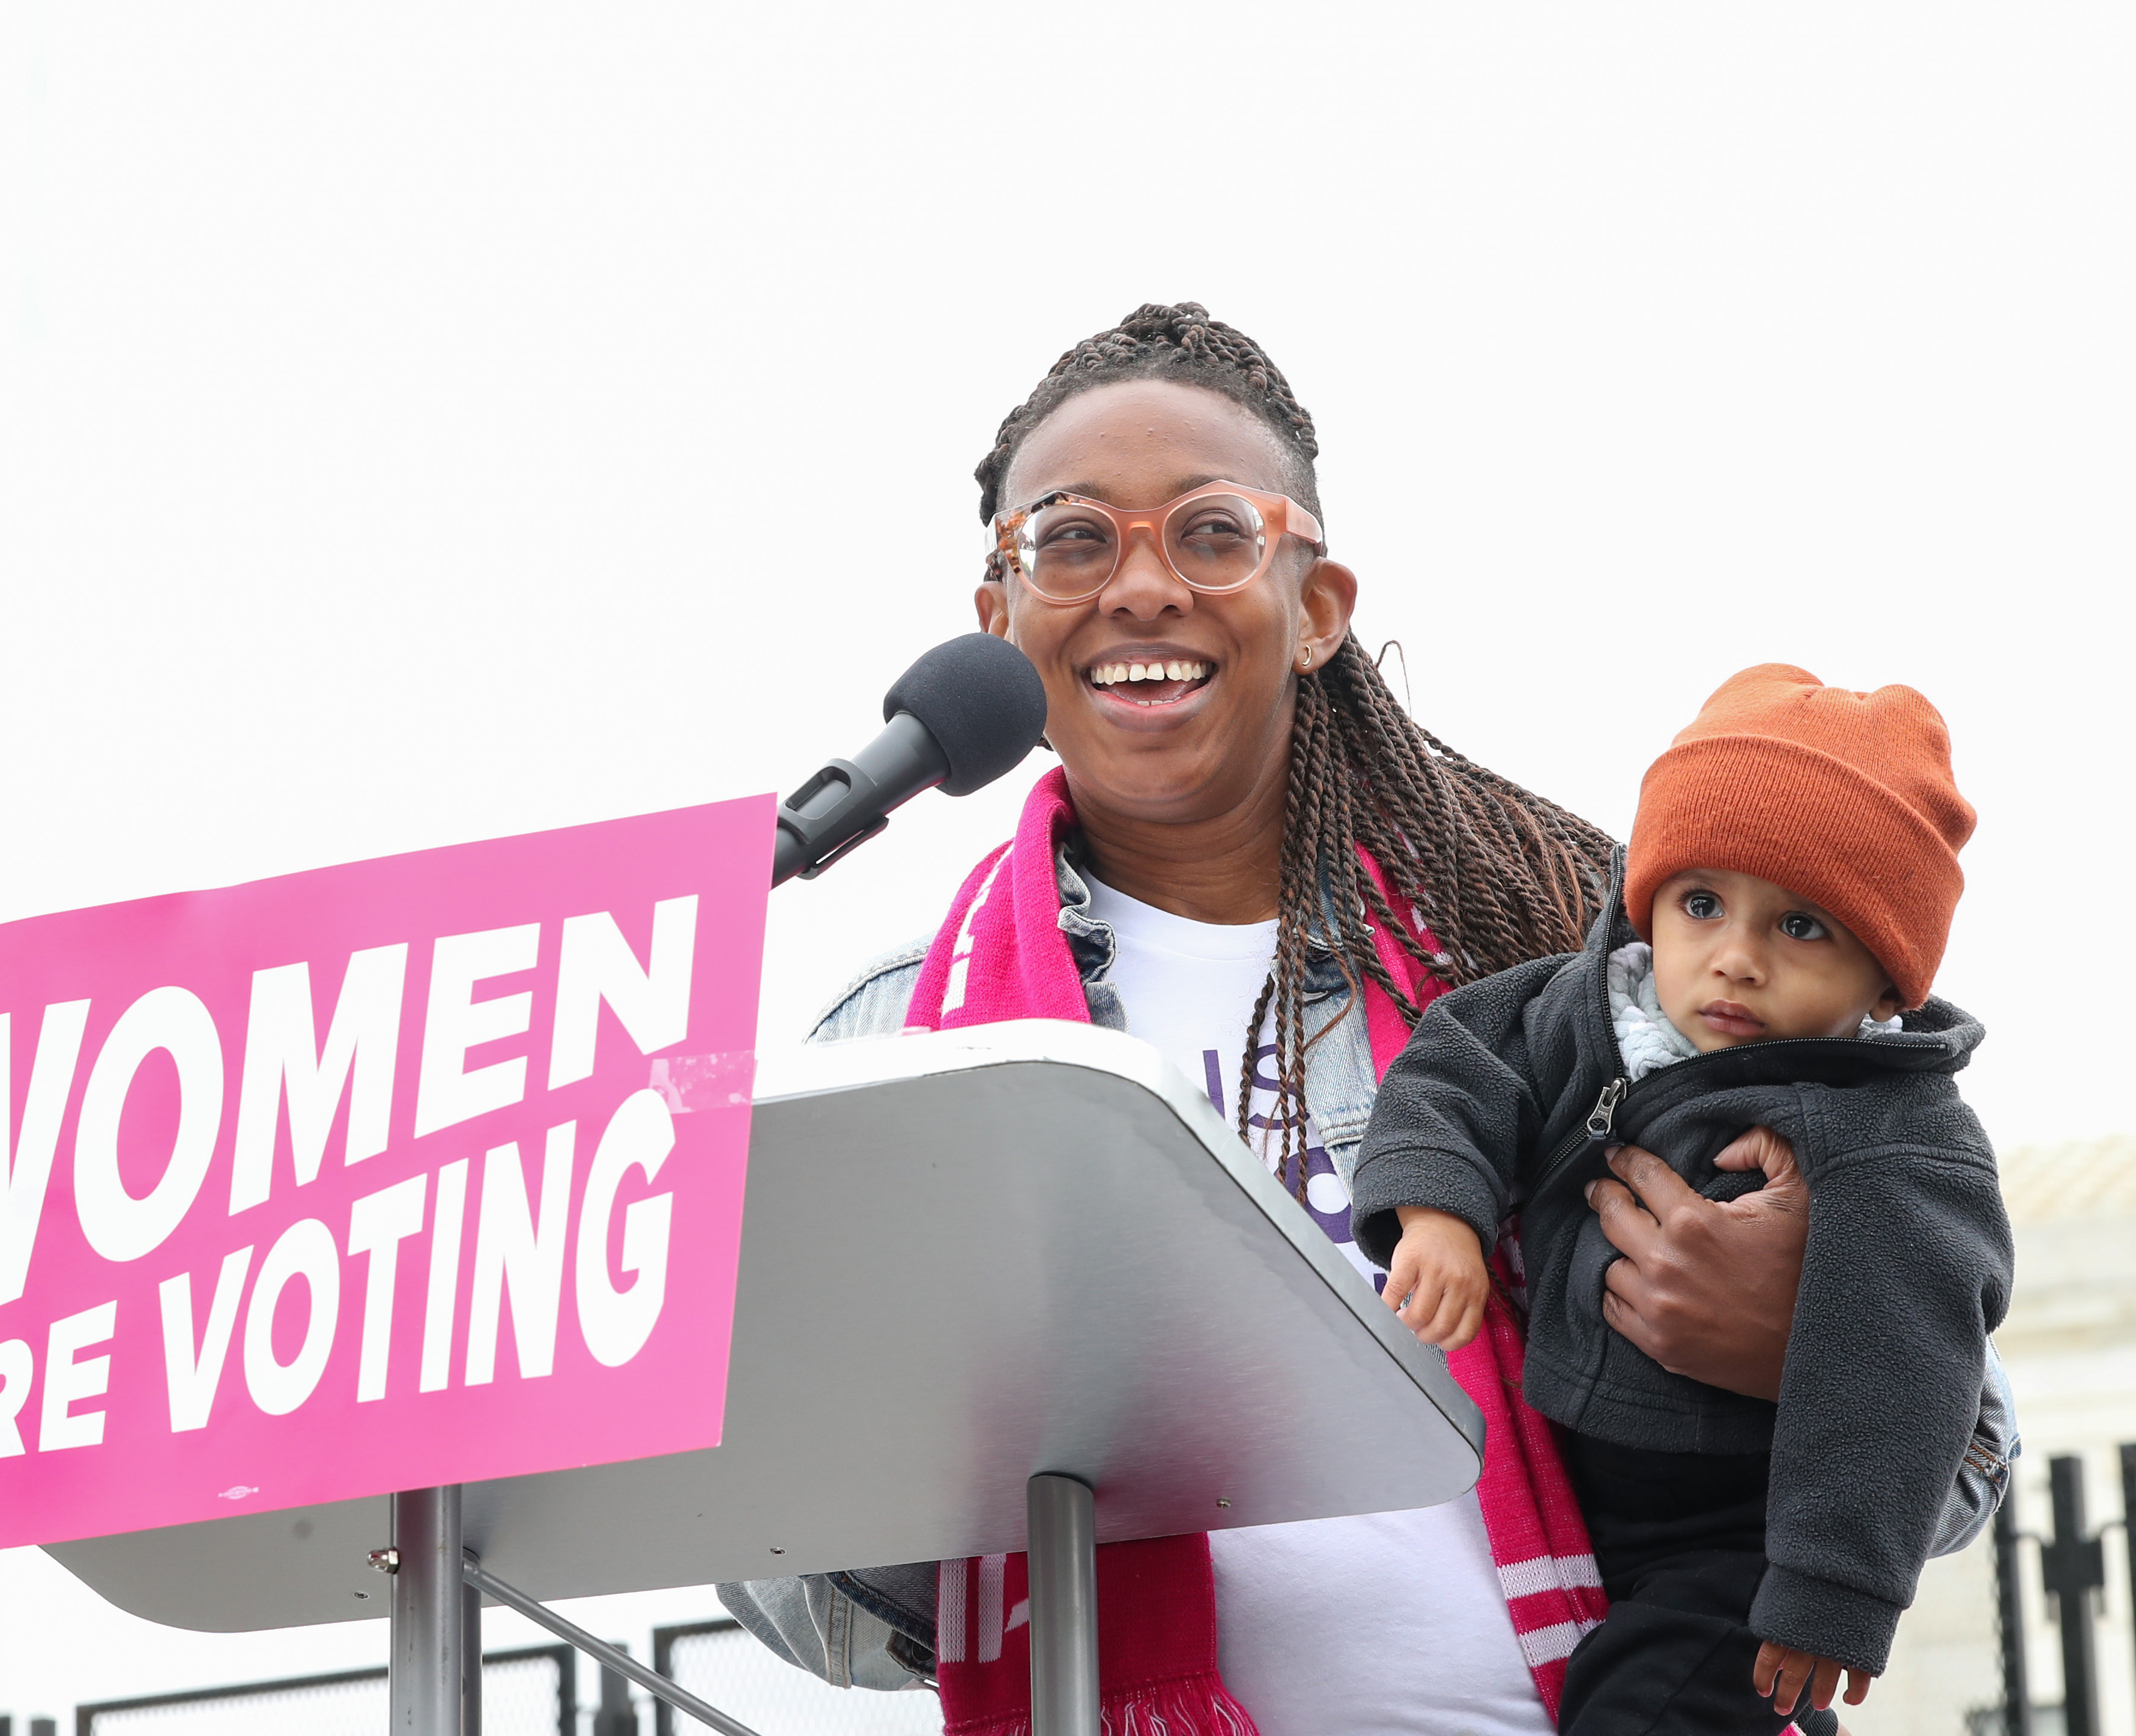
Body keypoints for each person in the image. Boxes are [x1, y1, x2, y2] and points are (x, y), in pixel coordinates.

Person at [720, 304, 2016, 1736]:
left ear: (1319, 605)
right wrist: (929, 1453)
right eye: (1073, 540)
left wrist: (1791, 1354)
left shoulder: (1577, 948)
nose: (1139, 588)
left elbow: (1970, 1457)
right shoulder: (899, 1043)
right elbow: (789, 1593)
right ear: (999, 621)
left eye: (1211, 532)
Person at [1354, 665, 2010, 1734]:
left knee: (1649, 1709)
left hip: (1742, 1530)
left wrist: (1832, 1592)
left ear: (1888, 980)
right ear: (1648, 901)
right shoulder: (1578, 1014)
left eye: (1802, 929)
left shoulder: (1896, 1137)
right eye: (1700, 904)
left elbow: (1908, 1375)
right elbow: (1450, 1072)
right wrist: (1437, 1215)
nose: (1736, 960)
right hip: (1580, 1492)